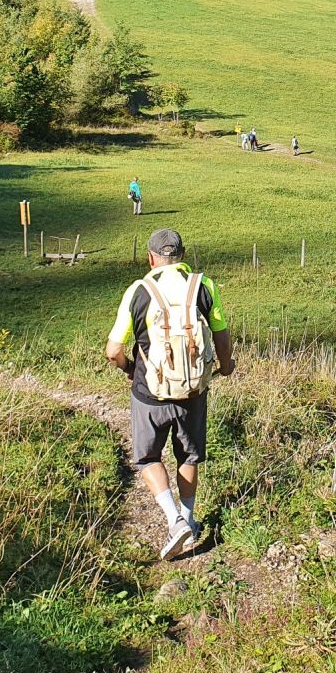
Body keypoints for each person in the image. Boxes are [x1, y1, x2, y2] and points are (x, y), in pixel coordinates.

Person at [105, 228, 235, 558]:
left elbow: (113, 350)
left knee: (149, 457)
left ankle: (173, 520)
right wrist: (226, 365)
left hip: (150, 392)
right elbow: (220, 335)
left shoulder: (139, 290)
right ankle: (189, 523)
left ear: (151, 258)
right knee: (188, 456)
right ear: (182, 256)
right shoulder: (203, 286)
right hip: (193, 391)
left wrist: (129, 368)